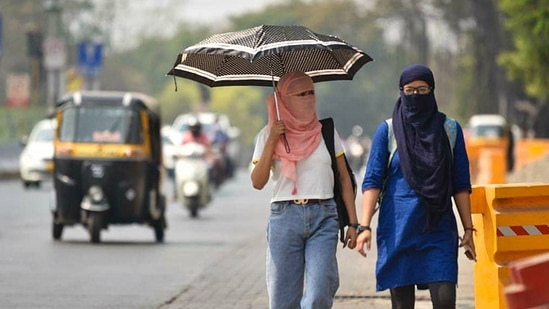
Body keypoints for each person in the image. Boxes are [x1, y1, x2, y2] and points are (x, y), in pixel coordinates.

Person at [355, 64, 477, 309]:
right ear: (400, 92)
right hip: (398, 230)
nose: (415, 96)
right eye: (409, 90)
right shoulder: (388, 131)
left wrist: (468, 229)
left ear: (432, 91)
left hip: (438, 228)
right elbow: (373, 181)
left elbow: (460, 183)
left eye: (422, 90)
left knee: (445, 302)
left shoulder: (449, 129)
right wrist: (364, 226)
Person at [250, 71, 359, 309]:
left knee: (319, 293)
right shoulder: (267, 134)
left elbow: (343, 179)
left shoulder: (326, 132)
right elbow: (257, 182)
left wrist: (353, 223)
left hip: (324, 217)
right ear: (285, 99)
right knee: (282, 301)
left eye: (311, 93)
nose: (308, 98)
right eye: (301, 94)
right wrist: (272, 141)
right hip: (284, 218)